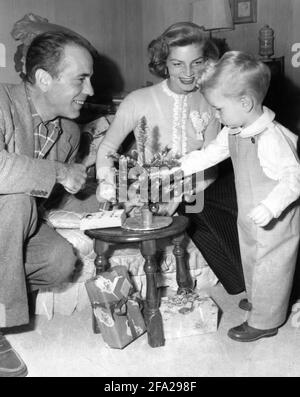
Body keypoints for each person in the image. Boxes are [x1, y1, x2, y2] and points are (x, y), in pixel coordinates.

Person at [96, 21, 245, 295]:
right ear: (163, 62)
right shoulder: (138, 100)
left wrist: (183, 192)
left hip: (196, 190)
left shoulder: (213, 100)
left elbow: (212, 163)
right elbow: (107, 149)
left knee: (223, 203)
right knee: (196, 209)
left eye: (197, 62)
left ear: (208, 62)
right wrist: (114, 189)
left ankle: (256, 287)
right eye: (177, 64)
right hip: (146, 190)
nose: (188, 73)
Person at [177, 50, 300, 342]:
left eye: (218, 109)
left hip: (276, 217)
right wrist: (177, 167)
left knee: (272, 265)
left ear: (245, 102)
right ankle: (260, 299)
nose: (215, 116)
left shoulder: (271, 137)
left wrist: (271, 207)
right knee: (251, 258)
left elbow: (294, 177)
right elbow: (210, 155)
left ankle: (265, 320)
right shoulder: (233, 130)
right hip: (249, 212)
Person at [0, 31, 95, 376]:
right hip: (8, 211)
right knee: (16, 200)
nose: (91, 91)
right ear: (43, 79)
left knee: (58, 260)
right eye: (81, 79)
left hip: (11, 229)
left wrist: (110, 201)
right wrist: (57, 171)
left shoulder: (69, 133)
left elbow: (61, 197)